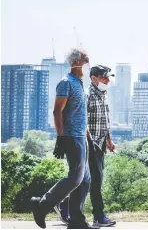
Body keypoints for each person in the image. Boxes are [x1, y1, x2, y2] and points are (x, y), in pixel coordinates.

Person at [30, 47, 98, 229]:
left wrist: (88, 136)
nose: (87, 59)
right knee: (75, 178)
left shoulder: (78, 82)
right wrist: (61, 138)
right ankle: (42, 204)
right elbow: (57, 111)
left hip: (81, 137)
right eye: (84, 57)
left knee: (85, 181)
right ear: (76, 61)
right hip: (71, 137)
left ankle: (76, 219)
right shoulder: (66, 82)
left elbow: (79, 113)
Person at [54, 65, 117, 227]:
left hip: (101, 143)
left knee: (90, 180)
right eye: (104, 77)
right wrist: (90, 142)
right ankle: (99, 215)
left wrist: (109, 140)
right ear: (94, 78)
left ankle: (64, 205)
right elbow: (83, 121)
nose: (107, 81)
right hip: (90, 143)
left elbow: (105, 120)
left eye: (108, 78)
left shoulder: (104, 94)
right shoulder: (87, 95)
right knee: (93, 180)